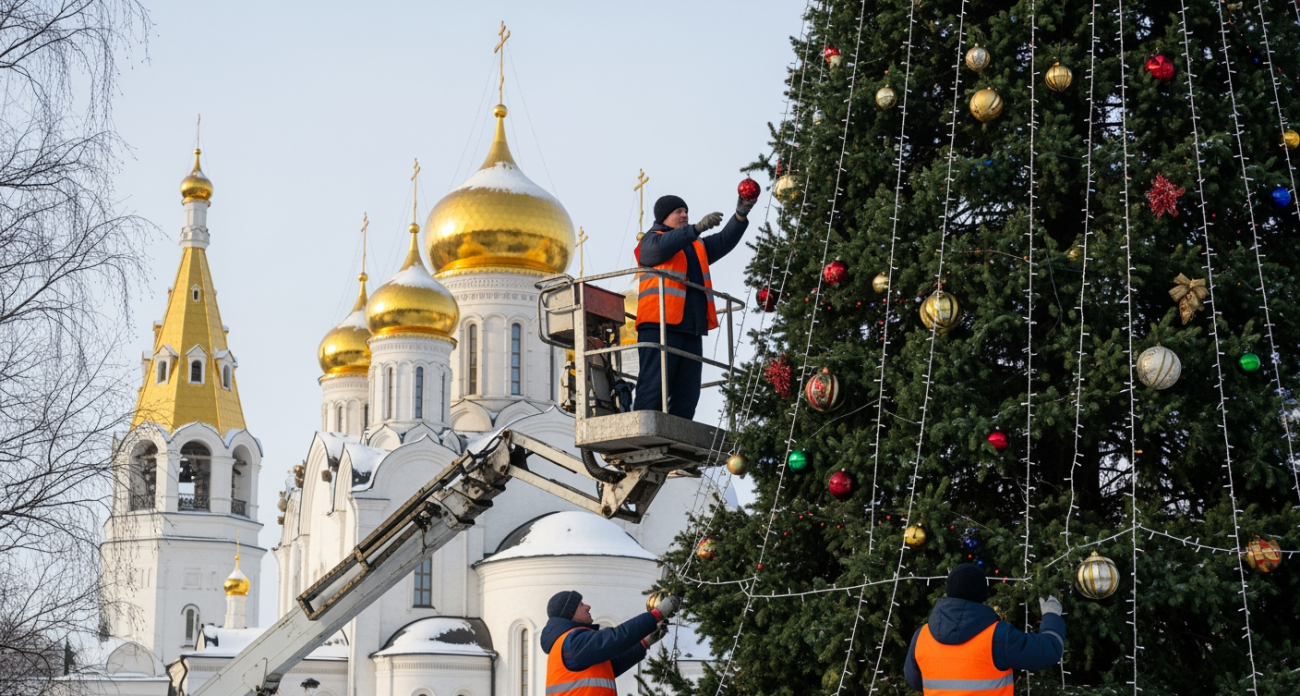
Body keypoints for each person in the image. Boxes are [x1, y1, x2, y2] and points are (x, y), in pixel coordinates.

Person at [632, 191, 754, 419]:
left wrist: (740, 215)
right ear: (664, 217)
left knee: (687, 395)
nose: (684, 214)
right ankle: (643, 432)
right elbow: (658, 250)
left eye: (686, 211)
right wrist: (696, 229)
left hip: (691, 328)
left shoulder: (695, 246)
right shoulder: (650, 240)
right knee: (653, 388)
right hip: (659, 327)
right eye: (678, 211)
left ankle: (677, 436)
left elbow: (723, 241)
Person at [905, 564, 1066, 694]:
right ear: (983, 594)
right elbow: (1046, 650)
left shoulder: (922, 636)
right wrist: (1051, 615)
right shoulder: (998, 636)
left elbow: (915, 681)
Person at [541, 590, 681, 696]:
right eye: (581, 604)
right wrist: (656, 614)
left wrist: (645, 642)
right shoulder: (573, 643)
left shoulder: (568, 645)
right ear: (569, 612)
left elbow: (611, 667)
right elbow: (615, 638)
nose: (588, 607)